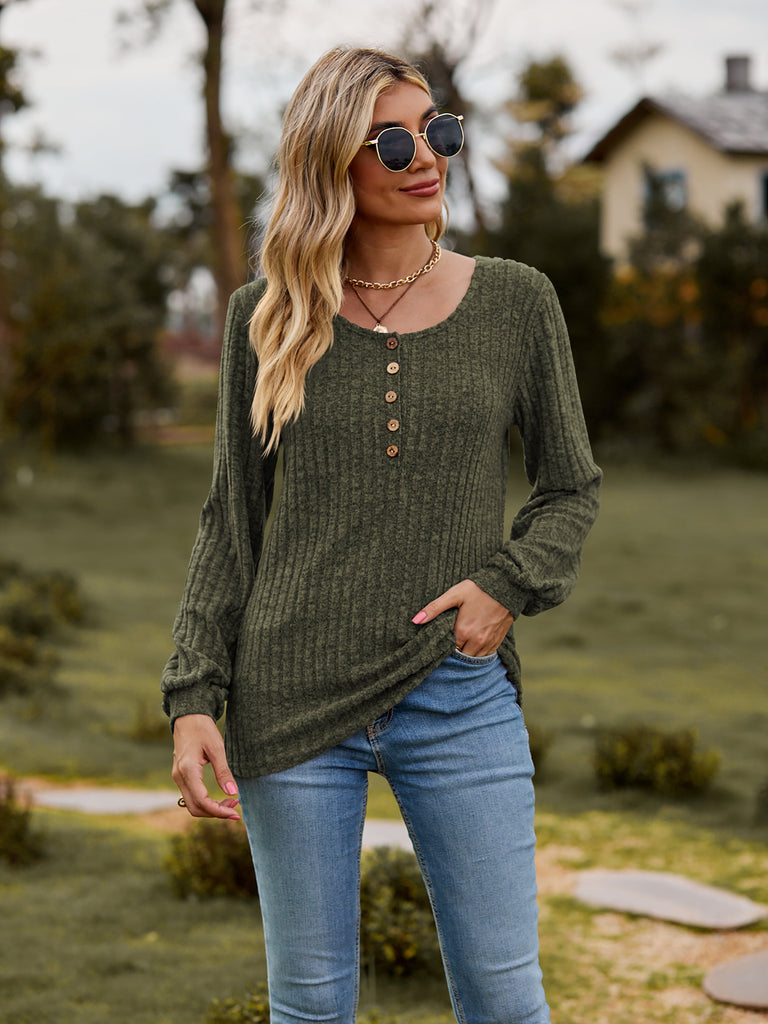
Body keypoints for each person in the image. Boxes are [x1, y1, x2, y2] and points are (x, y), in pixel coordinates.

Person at [163, 45, 601, 1024]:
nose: (425, 155)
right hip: (290, 699)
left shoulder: (517, 301)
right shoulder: (265, 318)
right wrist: (194, 695)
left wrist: (507, 582)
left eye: (436, 130)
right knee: (312, 1007)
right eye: (391, 141)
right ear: (332, 162)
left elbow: (570, 485)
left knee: (505, 999)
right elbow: (232, 518)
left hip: (458, 692)